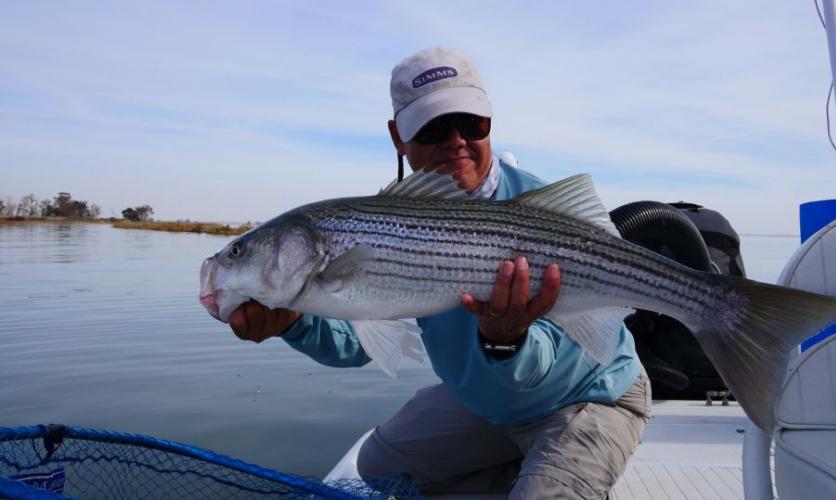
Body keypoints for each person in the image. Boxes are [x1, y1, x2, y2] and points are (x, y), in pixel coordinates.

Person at [229, 47, 651, 499]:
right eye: (432, 127)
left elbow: (542, 370)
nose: (455, 140)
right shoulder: (389, 217)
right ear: (398, 136)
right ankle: (520, 471)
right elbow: (360, 340)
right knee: (376, 466)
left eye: (472, 123)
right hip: (489, 406)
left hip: (585, 395)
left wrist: (506, 340)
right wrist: (297, 322)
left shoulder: (542, 209)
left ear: (491, 120)